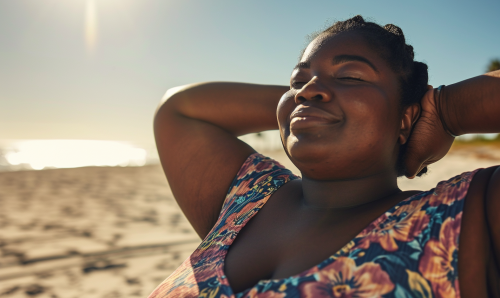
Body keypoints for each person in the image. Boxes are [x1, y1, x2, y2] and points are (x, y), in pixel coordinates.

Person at [148, 16, 500, 298]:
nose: (307, 90)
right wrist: (310, 99)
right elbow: (180, 109)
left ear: (405, 119)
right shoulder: (246, 199)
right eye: (297, 82)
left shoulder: (460, 218)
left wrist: (445, 108)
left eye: (350, 75)